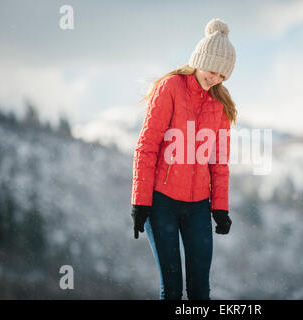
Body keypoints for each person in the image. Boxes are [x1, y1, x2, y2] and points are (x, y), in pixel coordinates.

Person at [130, 18, 237, 300]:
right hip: (161, 201)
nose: (214, 78)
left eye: (222, 76)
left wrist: (220, 208)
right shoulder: (171, 88)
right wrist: (140, 201)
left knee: (200, 291)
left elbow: (219, 163)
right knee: (173, 289)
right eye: (212, 70)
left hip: (198, 207)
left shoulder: (220, 106)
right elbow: (147, 146)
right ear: (200, 59)